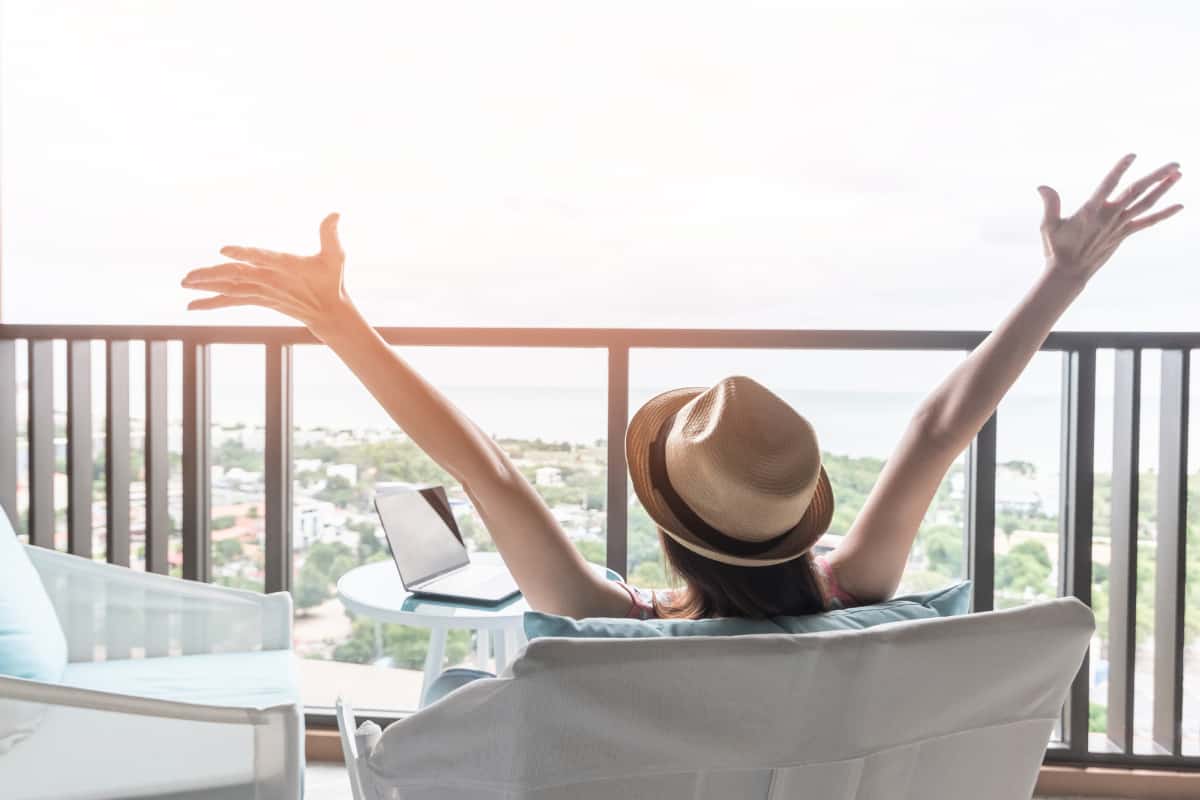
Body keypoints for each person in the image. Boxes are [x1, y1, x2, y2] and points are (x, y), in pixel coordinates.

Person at [181, 155, 1182, 626]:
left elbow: (480, 467)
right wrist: (1065, 275)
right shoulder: (858, 589)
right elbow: (938, 429)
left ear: (668, 531)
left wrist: (337, 319)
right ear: (802, 521)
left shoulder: (609, 616)